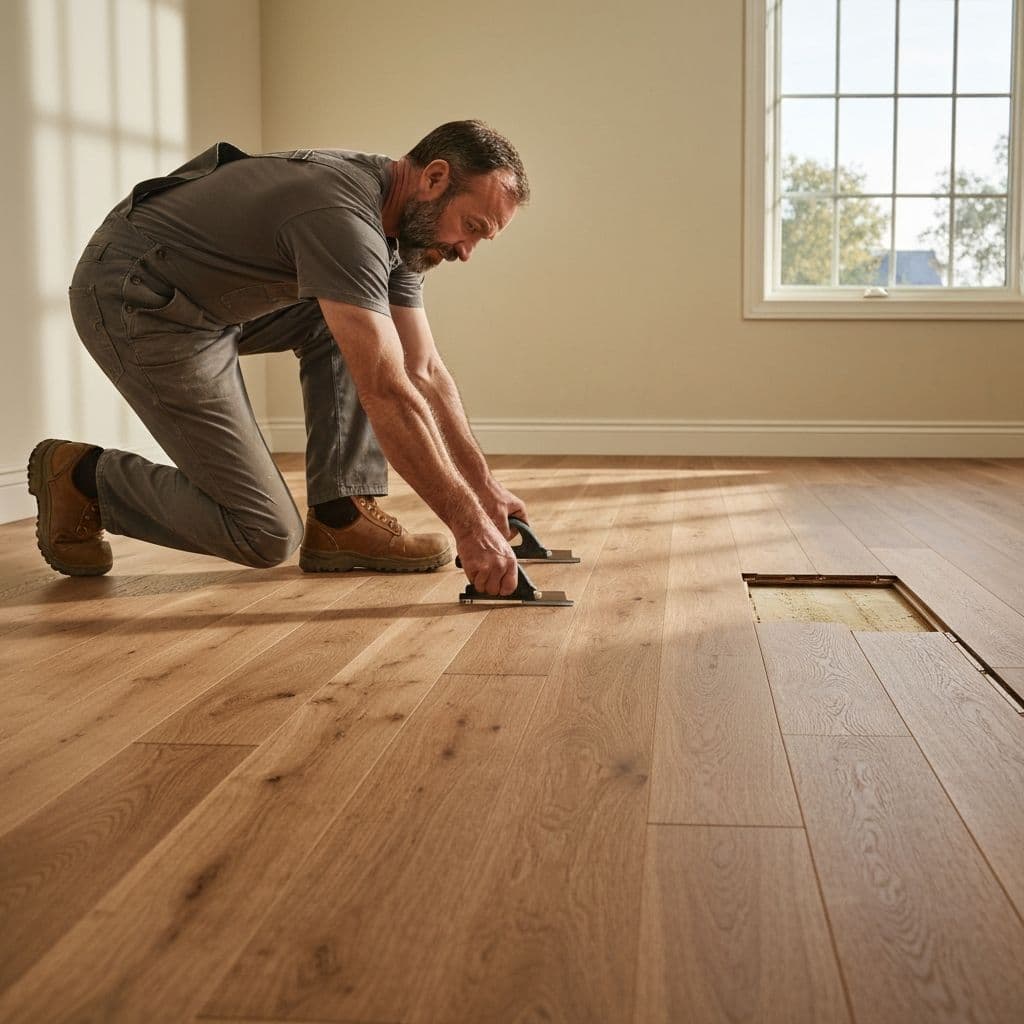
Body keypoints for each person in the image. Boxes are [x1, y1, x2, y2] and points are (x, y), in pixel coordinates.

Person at [27, 120, 530, 598]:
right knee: (263, 532)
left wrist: (484, 491)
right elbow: (386, 389)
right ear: (434, 178)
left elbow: (423, 370)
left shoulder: (400, 233)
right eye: (471, 227)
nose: (466, 251)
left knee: (350, 324)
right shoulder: (341, 216)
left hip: (210, 300)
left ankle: (343, 518)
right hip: (135, 297)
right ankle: (82, 477)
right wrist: (468, 526)